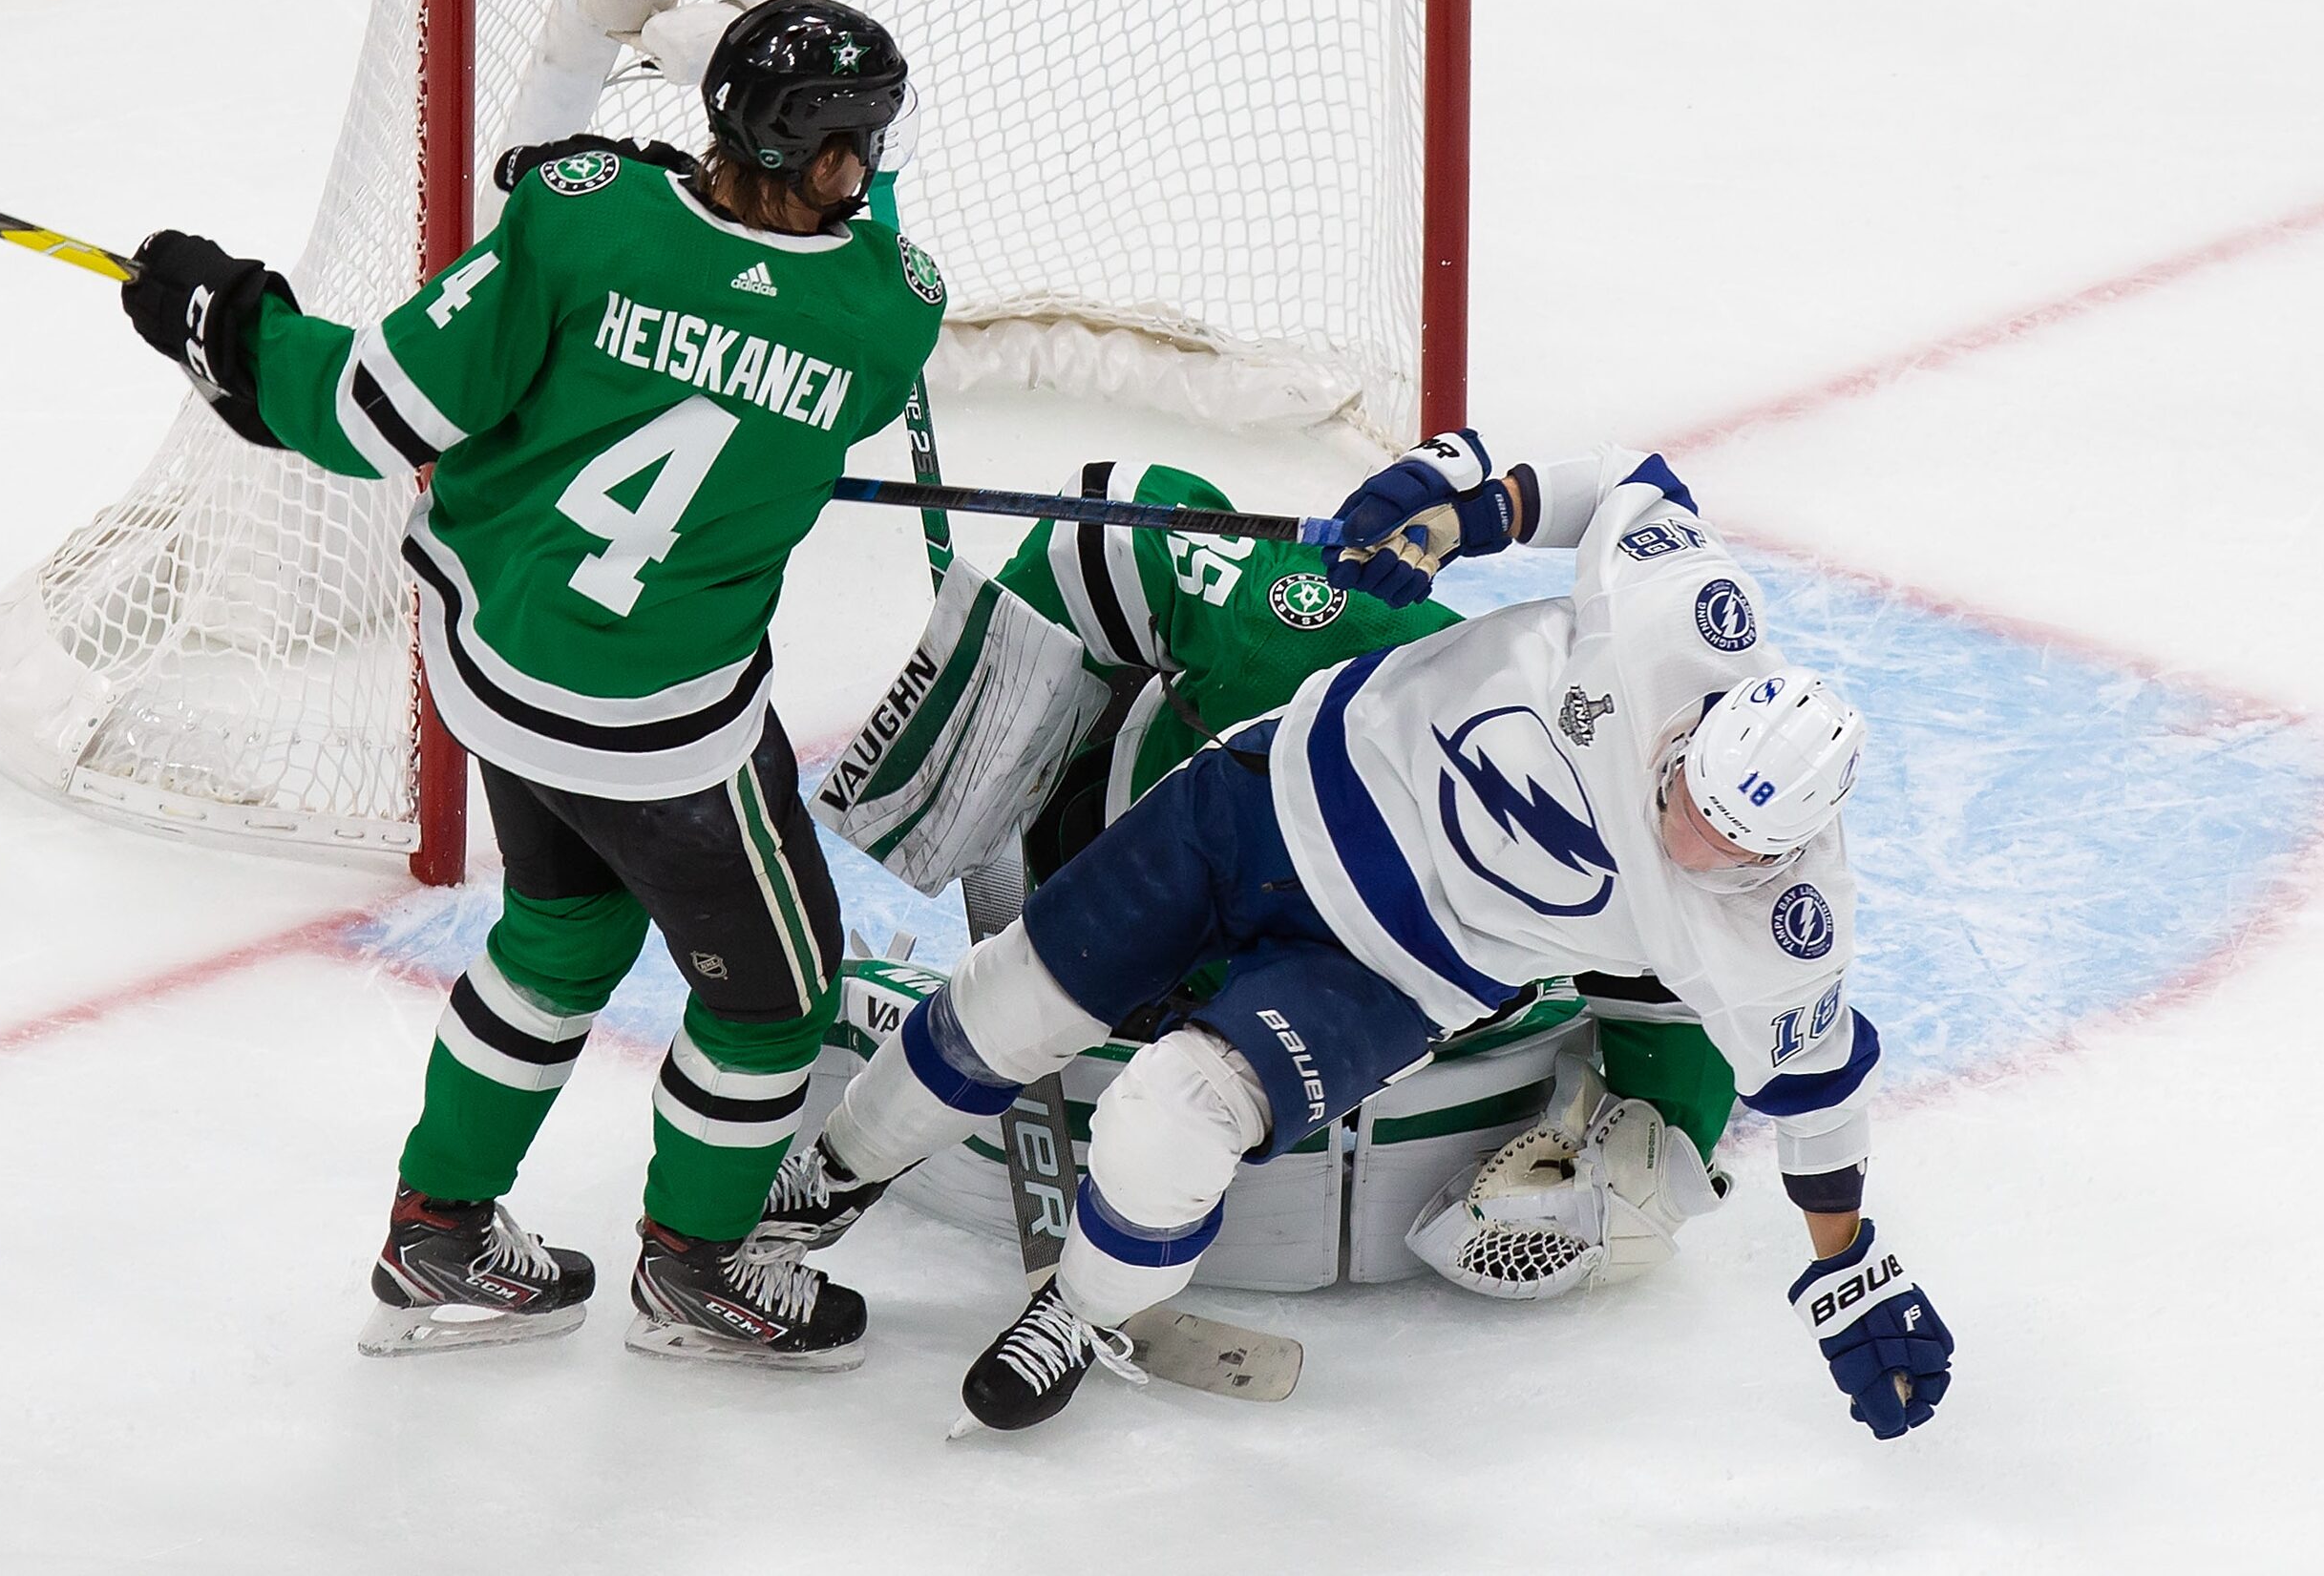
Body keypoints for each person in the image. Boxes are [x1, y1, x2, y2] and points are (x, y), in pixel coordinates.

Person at [786, 433, 1954, 1436]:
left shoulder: (1779, 929)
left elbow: (1817, 1091)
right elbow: (1627, 483)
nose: (1686, 830)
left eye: (1724, 841)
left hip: (1388, 973)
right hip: (1260, 799)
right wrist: (1463, 502)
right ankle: (826, 1181)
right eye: (1689, 791)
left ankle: (1083, 1311)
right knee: (1007, 999)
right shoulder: (1688, 627)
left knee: (1169, 1119)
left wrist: (1845, 1266)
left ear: (1780, 851)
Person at [116, 0, 946, 1371]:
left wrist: (227, 327)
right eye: (841, 147)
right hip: (665, 735)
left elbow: (374, 411)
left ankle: (436, 1228)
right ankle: (696, 1267)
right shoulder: (883, 319)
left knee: (560, 941)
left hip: (495, 669)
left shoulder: (580, 216)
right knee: (769, 1001)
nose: (856, 174)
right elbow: (810, 319)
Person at [774, 454, 1745, 1298]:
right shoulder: (1331, 631)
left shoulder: (1634, 844)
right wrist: (959, 809)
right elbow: (1118, 524)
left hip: (1341, 1001)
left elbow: (1683, 976)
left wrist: (1658, 1147)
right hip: (1152, 860)